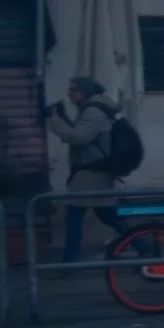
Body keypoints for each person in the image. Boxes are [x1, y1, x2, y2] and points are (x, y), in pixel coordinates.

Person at [46, 76, 127, 261]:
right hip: (93, 171)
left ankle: (68, 261)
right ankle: (141, 243)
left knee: (75, 215)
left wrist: (55, 121)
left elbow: (79, 138)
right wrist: (63, 117)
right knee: (107, 216)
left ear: (83, 92)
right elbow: (82, 133)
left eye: (73, 89)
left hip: (91, 172)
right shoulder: (92, 109)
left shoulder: (94, 112)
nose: (69, 93)